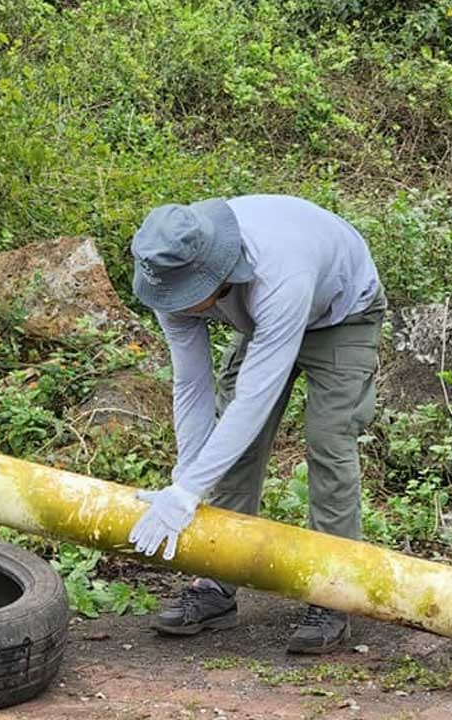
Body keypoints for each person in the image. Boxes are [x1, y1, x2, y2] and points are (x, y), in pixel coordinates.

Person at [127, 194, 386, 654]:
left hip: (342, 313)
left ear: (216, 271)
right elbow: (191, 383)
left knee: (329, 443)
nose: (181, 304)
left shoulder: (279, 272)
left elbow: (255, 399)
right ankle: (216, 582)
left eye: (189, 293)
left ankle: (333, 591)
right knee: (236, 452)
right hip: (262, 319)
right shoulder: (164, 273)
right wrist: (186, 481)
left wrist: (188, 492)